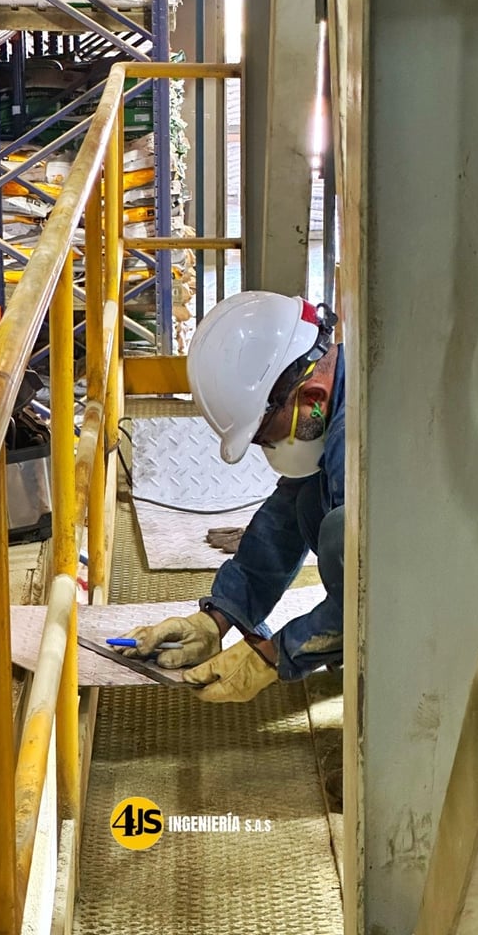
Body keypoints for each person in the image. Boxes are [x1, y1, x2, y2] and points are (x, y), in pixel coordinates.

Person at [119, 290, 345, 703]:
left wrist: (276, 653)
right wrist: (217, 619)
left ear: (311, 397)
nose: (267, 449)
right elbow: (282, 524)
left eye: (263, 435)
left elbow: (377, 585)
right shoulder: (331, 407)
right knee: (308, 501)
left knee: (343, 530)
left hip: (457, 599)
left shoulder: (364, 441)